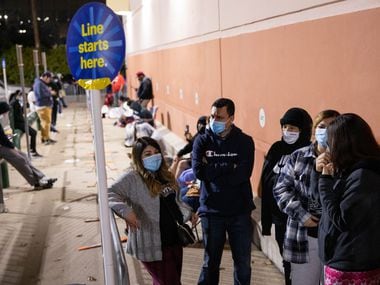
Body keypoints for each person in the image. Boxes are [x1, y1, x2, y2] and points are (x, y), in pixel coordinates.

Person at [108, 136, 195, 285]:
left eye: (156, 152)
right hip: (151, 245)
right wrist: (126, 212)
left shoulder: (165, 175)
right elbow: (109, 193)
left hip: (174, 240)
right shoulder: (132, 177)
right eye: (147, 154)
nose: (153, 156)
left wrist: (188, 212)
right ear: (138, 157)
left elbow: (175, 202)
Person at [192, 98, 255, 285]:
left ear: (231, 118)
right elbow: (199, 172)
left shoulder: (245, 141)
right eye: (212, 115)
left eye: (219, 116)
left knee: (243, 264)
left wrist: (213, 168)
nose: (214, 120)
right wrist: (229, 166)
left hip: (240, 212)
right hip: (212, 212)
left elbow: (243, 174)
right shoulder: (201, 141)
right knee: (210, 263)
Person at [273, 109, 340, 285]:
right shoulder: (299, 156)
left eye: (332, 126)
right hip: (303, 238)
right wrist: (302, 215)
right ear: (314, 129)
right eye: (322, 126)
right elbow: (280, 190)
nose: (326, 131)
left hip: (335, 240)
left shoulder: (345, 160)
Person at [317, 113, 380, 284]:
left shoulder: (363, 176)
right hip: (339, 256)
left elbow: (341, 219)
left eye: (330, 143)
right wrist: (320, 174)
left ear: (343, 144)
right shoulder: (347, 170)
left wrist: (324, 182)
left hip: (352, 265)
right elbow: (317, 204)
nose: (327, 147)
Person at [260, 107, 313, 285]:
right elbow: (266, 180)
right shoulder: (276, 148)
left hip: (299, 221)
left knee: (298, 266)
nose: (287, 131)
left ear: (304, 130)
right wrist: (266, 222)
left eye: (293, 128)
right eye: (285, 127)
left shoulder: (307, 152)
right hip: (278, 218)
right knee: (286, 261)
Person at [0, 102, 57, 190]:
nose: (7, 114)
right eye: (6, 112)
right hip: (2, 146)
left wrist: (11, 145)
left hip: (2, 145)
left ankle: (42, 178)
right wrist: (12, 147)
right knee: (20, 160)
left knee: (24, 156)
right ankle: (36, 183)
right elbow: (2, 138)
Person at [9, 90, 42, 157]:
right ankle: (33, 151)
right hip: (18, 124)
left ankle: (32, 150)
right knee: (34, 132)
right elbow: (16, 116)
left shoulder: (15, 101)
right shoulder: (14, 102)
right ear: (20, 95)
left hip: (20, 122)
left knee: (33, 132)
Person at [33, 71, 56, 145]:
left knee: (46, 123)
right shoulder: (39, 84)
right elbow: (41, 94)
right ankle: (45, 139)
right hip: (43, 106)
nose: (49, 81)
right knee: (46, 123)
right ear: (45, 77)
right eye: (49, 79)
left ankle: (46, 138)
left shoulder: (39, 83)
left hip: (43, 105)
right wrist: (50, 92)